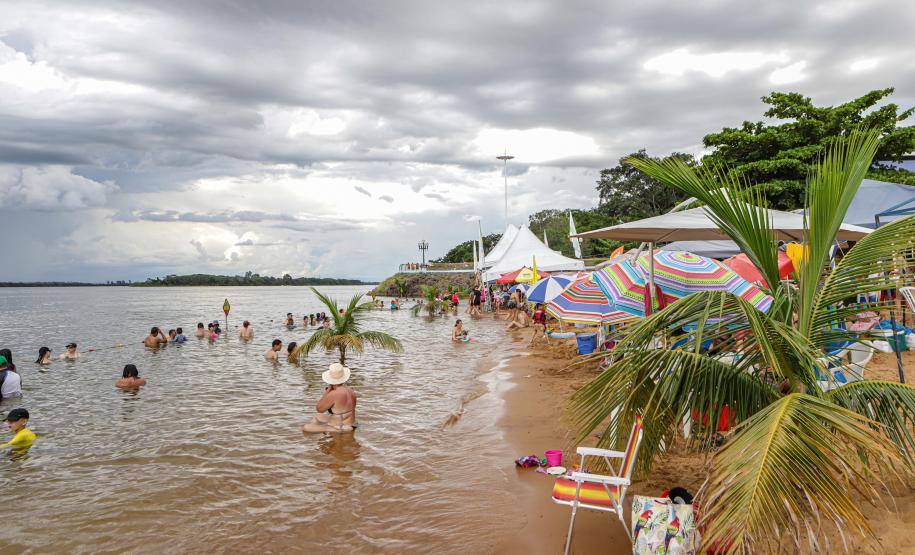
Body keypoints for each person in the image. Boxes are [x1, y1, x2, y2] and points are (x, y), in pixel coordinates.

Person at [303, 363, 357, 433]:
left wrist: (327, 392)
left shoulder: (333, 394)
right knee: (317, 416)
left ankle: (334, 430)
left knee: (306, 427)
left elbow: (319, 409)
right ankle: (324, 431)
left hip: (340, 425)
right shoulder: (350, 390)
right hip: (350, 422)